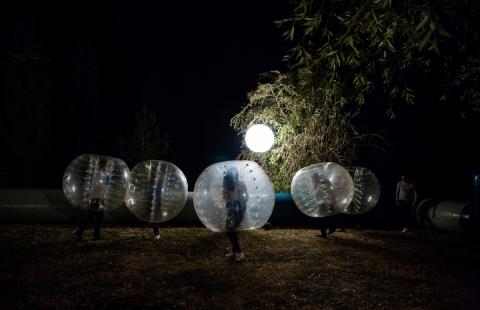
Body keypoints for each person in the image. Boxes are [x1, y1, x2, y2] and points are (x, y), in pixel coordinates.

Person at [77, 159, 114, 241]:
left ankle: (96, 235)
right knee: (90, 218)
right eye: (107, 165)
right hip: (96, 199)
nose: (108, 167)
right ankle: (80, 232)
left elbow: (106, 186)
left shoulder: (104, 174)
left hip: (101, 199)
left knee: (99, 219)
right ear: (103, 166)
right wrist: (106, 182)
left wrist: (108, 181)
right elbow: (100, 185)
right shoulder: (98, 174)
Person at [223, 166, 248, 261]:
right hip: (231, 210)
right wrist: (228, 198)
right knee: (229, 229)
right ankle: (235, 252)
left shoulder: (241, 184)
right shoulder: (226, 185)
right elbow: (226, 199)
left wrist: (238, 201)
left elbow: (246, 197)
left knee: (230, 229)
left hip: (240, 210)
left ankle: (239, 252)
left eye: (231, 177)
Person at [311, 172, 336, 238]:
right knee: (327, 217)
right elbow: (331, 191)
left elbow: (317, 193)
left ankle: (324, 233)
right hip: (328, 202)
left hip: (322, 203)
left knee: (321, 219)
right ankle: (331, 227)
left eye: (312, 178)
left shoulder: (318, 184)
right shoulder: (325, 183)